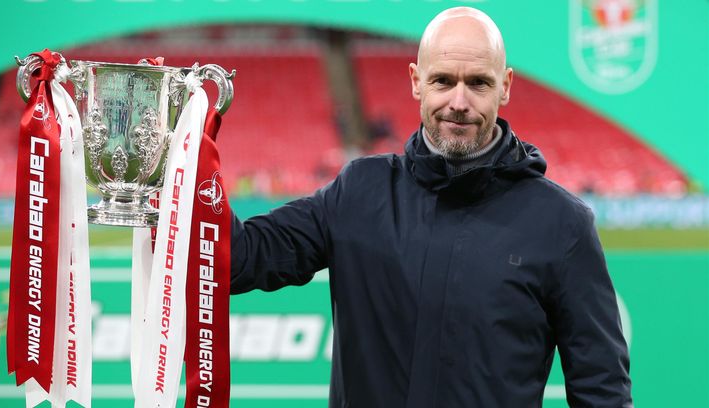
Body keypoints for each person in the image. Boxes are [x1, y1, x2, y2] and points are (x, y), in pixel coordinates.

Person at [231, 6, 633, 407]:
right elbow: (240, 258)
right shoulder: (359, 192)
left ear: (505, 86)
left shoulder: (562, 225)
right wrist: (193, 163)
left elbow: (602, 392)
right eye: (443, 81)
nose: (459, 101)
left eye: (478, 83)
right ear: (416, 81)